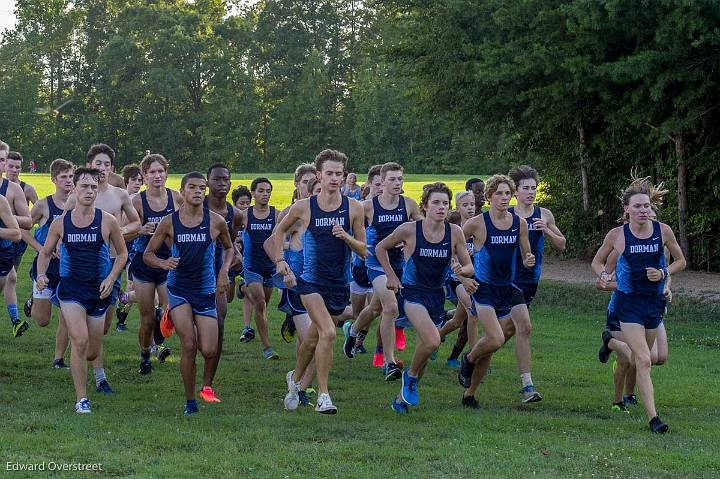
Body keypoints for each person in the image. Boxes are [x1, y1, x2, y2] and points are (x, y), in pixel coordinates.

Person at [268, 149, 366, 414]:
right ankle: (323, 395)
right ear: (319, 176)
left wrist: (346, 237)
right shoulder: (304, 207)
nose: (334, 178)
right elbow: (279, 231)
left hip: (338, 284)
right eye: (329, 173)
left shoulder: (354, 208)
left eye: (339, 174)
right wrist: (280, 261)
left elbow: (363, 250)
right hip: (310, 283)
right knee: (329, 333)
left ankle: (295, 381)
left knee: (312, 338)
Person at [592, 177, 685, 433]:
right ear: (627, 209)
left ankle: (611, 341)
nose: (643, 210)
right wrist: (603, 275)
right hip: (628, 305)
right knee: (643, 359)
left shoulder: (663, 231)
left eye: (646, 206)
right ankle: (654, 419)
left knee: (651, 358)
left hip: (653, 304)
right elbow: (597, 262)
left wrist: (663, 272)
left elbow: (681, 261)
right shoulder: (617, 236)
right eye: (638, 206)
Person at [36, 167, 128, 413]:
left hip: (98, 291)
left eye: (93, 187)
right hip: (71, 290)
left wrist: (111, 277)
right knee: (79, 340)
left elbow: (122, 254)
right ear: (74, 189)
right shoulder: (61, 223)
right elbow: (45, 253)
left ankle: (89, 367)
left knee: (92, 351)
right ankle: (81, 399)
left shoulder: (107, 220)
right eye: (84, 186)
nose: (89, 191)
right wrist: (42, 275)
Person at [376, 182, 474, 413]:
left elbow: (469, 265)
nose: (441, 207)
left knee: (426, 350)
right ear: (426, 205)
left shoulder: (455, 232)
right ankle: (409, 378)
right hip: (412, 293)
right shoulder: (410, 229)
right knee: (433, 341)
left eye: (445, 203)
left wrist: (462, 271)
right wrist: (390, 275)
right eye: (436, 203)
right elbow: (380, 247)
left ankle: (400, 400)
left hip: (435, 297)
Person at [144, 172, 233, 415]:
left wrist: (224, 271)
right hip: (179, 289)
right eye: (192, 187)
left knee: (210, 349)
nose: (197, 191)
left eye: (201, 188)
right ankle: (190, 401)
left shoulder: (216, 221)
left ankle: (207, 387)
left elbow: (229, 248)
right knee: (189, 344)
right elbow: (148, 254)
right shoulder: (170, 222)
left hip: (205, 290)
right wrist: (164, 264)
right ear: (182, 191)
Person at [64, 143, 141, 394]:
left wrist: (116, 233)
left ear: (112, 168)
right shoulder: (77, 195)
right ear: (89, 165)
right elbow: (63, 229)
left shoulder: (119, 194)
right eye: (98, 164)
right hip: (81, 269)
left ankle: (85, 352)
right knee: (82, 329)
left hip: (112, 265)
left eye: (107, 164)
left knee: (104, 326)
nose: (103, 168)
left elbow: (136, 223)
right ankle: (99, 376)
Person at [457, 175, 536, 409]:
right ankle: (469, 358)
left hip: (508, 288)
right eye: (499, 193)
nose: (504, 197)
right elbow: (452, 248)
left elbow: (526, 255)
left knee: (502, 340)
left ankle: (470, 393)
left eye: (507, 193)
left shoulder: (519, 223)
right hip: (484, 289)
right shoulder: (476, 224)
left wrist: (529, 260)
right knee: (495, 339)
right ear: (489, 197)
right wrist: (463, 278)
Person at [342, 162, 422, 383]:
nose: (397, 183)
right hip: (375, 264)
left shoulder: (409, 205)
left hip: (400, 265)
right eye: (392, 179)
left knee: (376, 307)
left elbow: (423, 232)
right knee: (391, 307)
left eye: (400, 179)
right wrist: (360, 246)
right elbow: (350, 233)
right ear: (382, 182)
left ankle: (352, 329)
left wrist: (407, 243)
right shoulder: (368, 207)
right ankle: (389, 361)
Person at [503, 165, 566, 402]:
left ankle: (473, 358)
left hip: (532, 280)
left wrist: (547, 230)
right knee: (525, 328)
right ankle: (527, 385)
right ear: (515, 191)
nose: (531, 192)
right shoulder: (506, 214)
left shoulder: (544, 214)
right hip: (508, 279)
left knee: (506, 331)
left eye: (533, 188)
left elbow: (562, 245)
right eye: (525, 188)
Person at [130, 154, 181, 374]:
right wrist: (140, 230)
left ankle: (162, 321)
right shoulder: (137, 201)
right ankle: (144, 355)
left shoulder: (175, 197)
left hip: (168, 263)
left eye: (161, 171)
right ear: (144, 176)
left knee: (174, 312)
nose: (157, 176)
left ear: (166, 173)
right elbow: (123, 233)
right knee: (147, 318)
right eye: (152, 172)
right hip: (144, 263)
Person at [23, 159, 75, 368]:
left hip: (69, 269)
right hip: (45, 266)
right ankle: (32, 302)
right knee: (43, 320)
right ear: (54, 179)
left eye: (71, 176)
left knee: (67, 317)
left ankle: (58, 359)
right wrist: (42, 249)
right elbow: (24, 229)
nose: (68, 181)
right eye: (63, 177)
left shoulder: (79, 202)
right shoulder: (44, 204)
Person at [200, 164, 243, 402]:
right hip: (192, 272)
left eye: (226, 180)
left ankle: (208, 385)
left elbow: (230, 243)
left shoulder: (234, 214)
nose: (222, 184)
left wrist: (234, 260)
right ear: (208, 182)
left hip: (219, 272)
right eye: (217, 179)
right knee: (193, 334)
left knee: (219, 323)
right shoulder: (196, 205)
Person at [241, 177, 279, 359]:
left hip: (270, 266)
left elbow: (281, 239)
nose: (265, 194)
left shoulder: (276, 214)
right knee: (261, 303)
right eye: (261, 191)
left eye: (268, 191)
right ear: (253, 193)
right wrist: (236, 252)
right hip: (252, 265)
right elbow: (231, 236)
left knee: (262, 307)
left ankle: (243, 289)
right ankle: (267, 347)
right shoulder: (245, 215)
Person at [348, 165, 382, 358]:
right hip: (359, 266)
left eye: (382, 184)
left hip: (379, 267)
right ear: (368, 184)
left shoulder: (392, 209)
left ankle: (361, 343)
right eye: (377, 184)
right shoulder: (358, 207)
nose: (380, 188)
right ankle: (351, 330)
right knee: (358, 312)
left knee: (377, 309)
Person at [0, 149, 32, 338]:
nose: (3, 165)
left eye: (2, 160)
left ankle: (15, 320)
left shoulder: (13, 189)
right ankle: (16, 321)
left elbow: (28, 222)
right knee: (11, 278)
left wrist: (6, 215)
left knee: (11, 279)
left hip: (7, 246)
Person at [115, 164, 145, 331]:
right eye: (134, 180)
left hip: (134, 250)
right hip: (121, 247)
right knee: (129, 287)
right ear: (126, 181)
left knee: (131, 287)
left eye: (140, 180)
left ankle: (121, 321)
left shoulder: (142, 198)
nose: (137, 183)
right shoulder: (123, 198)